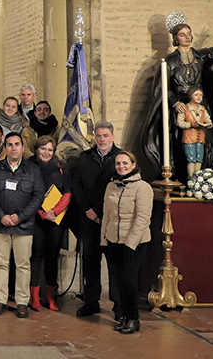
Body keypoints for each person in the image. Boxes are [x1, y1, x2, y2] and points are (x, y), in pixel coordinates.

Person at [142, 14, 213, 181]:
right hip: (180, 109)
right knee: (179, 144)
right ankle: (180, 177)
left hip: (199, 105)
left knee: (202, 143)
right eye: (183, 35)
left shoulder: (200, 56)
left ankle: (199, 178)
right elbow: (162, 88)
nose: (187, 37)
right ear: (175, 38)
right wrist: (175, 102)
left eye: (189, 34)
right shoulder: (169, 61)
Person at [0, 133, 46, 318]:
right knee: (0, 264)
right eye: (9, 145)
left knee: (23, 265)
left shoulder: (33, 170)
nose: (13, 148)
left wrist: (20, 217)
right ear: (5, 148)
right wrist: (2, 216)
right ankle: (0, 300)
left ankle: (21, 302)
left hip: (24, 226)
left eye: (17, 144)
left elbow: (38, 196)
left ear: (22, 147)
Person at [70, 121, 121, 317]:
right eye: (98, 136)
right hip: (89, 220)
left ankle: (118, 305)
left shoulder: (120, 158)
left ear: (112, 137)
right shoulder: (84, 157)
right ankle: (91, 302)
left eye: (105, 135)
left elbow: (117, 188)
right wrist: (87, 210)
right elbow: (76, 186)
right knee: (90, 263)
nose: (102, 139)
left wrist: (99, 211)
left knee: (114, 264)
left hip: (109, 220)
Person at [100, 151, 153, 334]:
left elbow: (143, 219)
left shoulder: (142, 187)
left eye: (124, 163)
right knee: (118, 281)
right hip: (114, 240)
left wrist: (130, 244)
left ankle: (133, 319)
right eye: (118, 163)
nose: (121, 166)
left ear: (133, 164)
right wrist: (104, 240)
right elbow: (106, 215)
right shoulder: (111, 187)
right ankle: (123, 315)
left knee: (129, 280)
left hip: (135, 243)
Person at [28, 136, 70, 312]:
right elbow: (26, 193)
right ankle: (34, 298)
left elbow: (67, 192)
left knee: (52, 257)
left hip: (55, 220)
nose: (46, 152)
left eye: (49, 150)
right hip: (35, 218)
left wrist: (54, 212)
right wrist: (41, 213)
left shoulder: (62, 168)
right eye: (43, 149)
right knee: (35, 256)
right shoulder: (29, 167)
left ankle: (51, 298)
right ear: (37, 150)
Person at [176, 87, 213, 179]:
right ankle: (191, 178)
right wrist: (190, 124)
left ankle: (197, 178)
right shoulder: (185, 108)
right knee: (191, 158)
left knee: (199, 158)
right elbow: (180, 122)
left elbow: (208, 120)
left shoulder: (202, 109)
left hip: (200, 137)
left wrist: (208, 124)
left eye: (201, 95)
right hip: (189, 137)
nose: (199, 97)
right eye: (196, 95)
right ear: (190, 96)